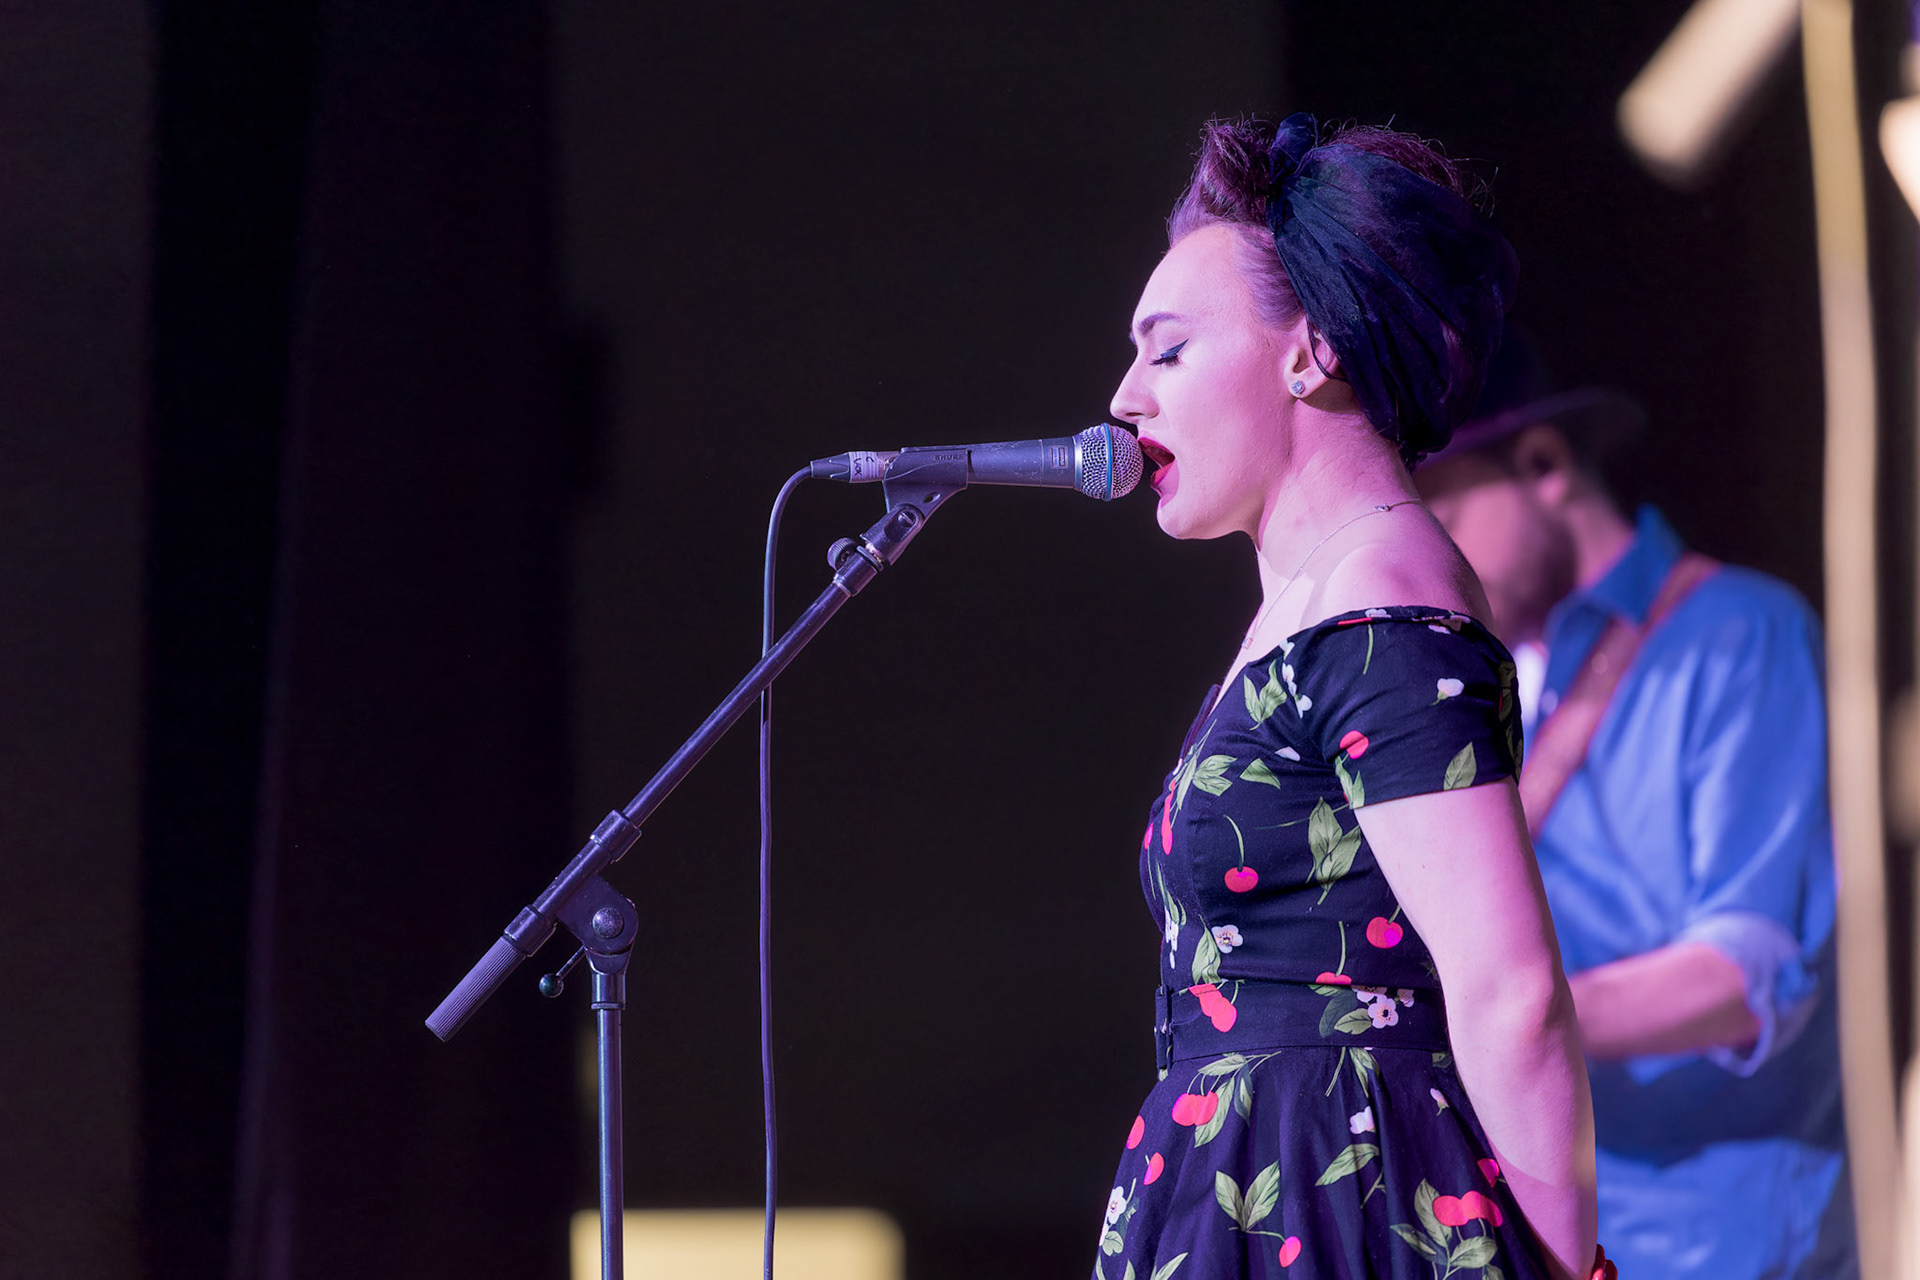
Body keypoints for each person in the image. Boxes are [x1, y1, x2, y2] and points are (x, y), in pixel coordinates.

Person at [1096, 114, 1602, 1280]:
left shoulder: (1383, 593)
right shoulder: (1312, 605)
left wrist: (1576, 1269)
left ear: (1308, 350)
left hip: (1339, 1196)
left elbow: (1509, 986)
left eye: (1167, 351)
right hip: (1246, 1184)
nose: (1125, 396)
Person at [1413, 333, 1855, 1279]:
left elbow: (1748, 974)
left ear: (1542, 464)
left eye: (1440, 509)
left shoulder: (1744, 633)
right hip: (1567, 1237)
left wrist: (1498, 1019)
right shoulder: (1490, 686)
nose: (1425, 558)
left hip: (1729, 1241)